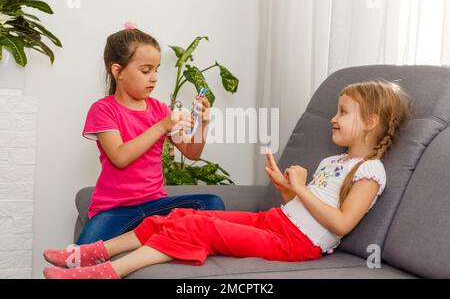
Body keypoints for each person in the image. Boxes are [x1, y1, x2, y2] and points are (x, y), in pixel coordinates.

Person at [43, 80, 412, 279]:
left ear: (370, 122)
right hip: (278, 223)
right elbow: (304, 209)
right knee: (178, 217)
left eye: (343, 112)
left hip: (296, 245)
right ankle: (95, 252)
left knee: (198, 228)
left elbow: (343, 223)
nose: (333, 118)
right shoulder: (334, 159)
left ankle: (106, 273)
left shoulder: (369, 171)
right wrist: (287, 191)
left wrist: (299, 188)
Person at [75, 24, 225, 245]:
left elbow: (191, 152)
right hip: (114, 210)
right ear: (118, 71)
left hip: (155, 207)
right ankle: (155, 239)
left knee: (212, 203)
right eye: (146, 71)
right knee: (80, 253)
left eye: (156, 70)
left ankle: (153, 237)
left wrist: (203, 124)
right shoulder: (104, 110)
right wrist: (162, 126)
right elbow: (119, 156)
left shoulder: (159, 109)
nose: (154, 78)